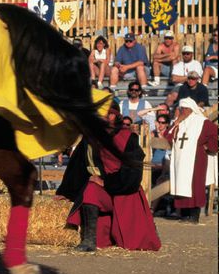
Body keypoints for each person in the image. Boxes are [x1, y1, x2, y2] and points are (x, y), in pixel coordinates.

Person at [60, 105, 161, 252]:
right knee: (91, 190)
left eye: (110, 114)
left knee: (136, 243)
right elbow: (76, 168)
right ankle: (89, 240)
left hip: (124, 192)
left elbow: (133, 172)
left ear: (117, 116)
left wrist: (106, 181)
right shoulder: (89, 138)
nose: (105, 117)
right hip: (103, 191)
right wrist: (65, 192)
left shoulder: (127, 138)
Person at [165, 98, 218, 223]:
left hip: (196, 159)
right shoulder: (179, 122)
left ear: (191, 109)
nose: (182, 111)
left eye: (184, 109)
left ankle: (194, 216)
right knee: (181, 185)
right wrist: (177, 122)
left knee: (195, 186)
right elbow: (168, 137)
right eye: (180, 108)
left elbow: (214, 135)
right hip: (180, 160)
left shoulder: (202, 122)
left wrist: (208, 147)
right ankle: (184, 215)